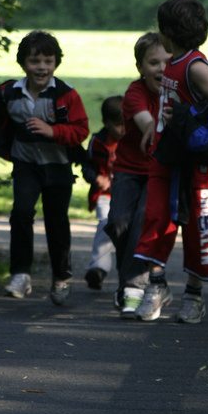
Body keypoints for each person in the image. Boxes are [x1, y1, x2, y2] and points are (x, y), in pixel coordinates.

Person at [130, 0, 208, 323]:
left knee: (198, 230)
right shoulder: (173, 62)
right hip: (167, 156)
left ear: (166, 32)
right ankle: (157, 286)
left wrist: (185, 116)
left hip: (199, 164)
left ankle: (193, 295)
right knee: (156, 218)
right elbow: (170, 104)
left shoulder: (195, 66)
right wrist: (157, 126)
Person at [0, 30, 90, 306]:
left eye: (48, 61)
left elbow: (81, 130)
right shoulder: (8, 94)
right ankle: (20, 274)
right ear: (23, 63)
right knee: (21, 212)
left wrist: (53, 131)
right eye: (34, 61)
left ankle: (61, 277)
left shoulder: (66, 95)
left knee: (57, 222)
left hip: (58, 167)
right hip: (25, 164)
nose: (42, 67)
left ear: (56, 63)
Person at [103, 32, 171, 319]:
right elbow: (148, 125)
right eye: (153, 63)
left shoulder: (179, 91)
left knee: (143, 223)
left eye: (168, 62)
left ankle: (133, 289)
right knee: (118, 223)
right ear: (140, 68)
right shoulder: (134, 93)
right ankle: (131, 282)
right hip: (129, 170)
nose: (162, 69)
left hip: (159, 172)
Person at [83, 95, 125, 290]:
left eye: (126, 124)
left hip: (128, 194)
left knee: (127, 231)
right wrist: (95, 178)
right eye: (118, 125)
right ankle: (98, 268)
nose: (123, 129)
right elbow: (86, 165)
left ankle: (132, 274)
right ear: (106, 123)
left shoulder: (133, 141)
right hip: (105, 194)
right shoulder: (97, 142)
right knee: (106, 224)